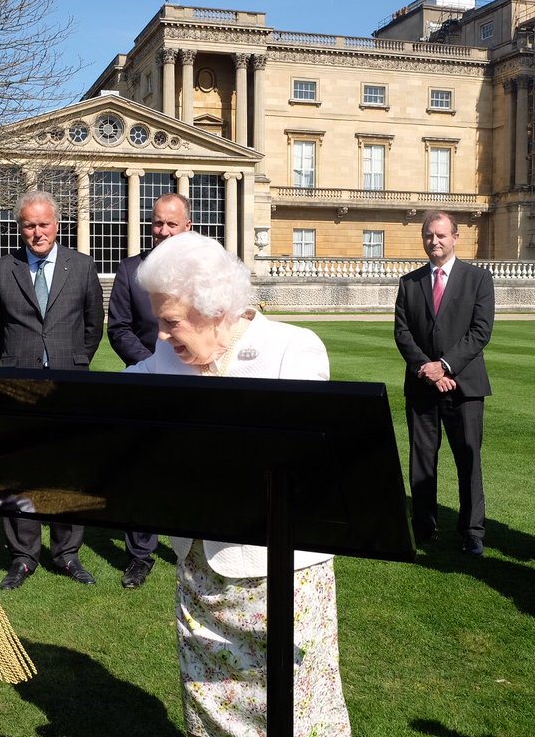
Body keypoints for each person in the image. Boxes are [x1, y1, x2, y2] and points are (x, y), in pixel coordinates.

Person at [126, 230, 351, 736]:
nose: (161, 336)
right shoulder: (165, 361)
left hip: (279, 572)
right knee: (209, 709)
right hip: (200, 569)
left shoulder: (292, 349)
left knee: (295, 709)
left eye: (171, 321)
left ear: (214, 310)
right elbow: (113, 409)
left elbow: (300, 462)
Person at [0, 190, 103, 589]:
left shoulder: (82, 266)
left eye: (44, 224)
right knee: (21, 470)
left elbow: (92, 325)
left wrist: (73, 360)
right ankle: (24, 555)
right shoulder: (1, 270)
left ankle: (67, 553)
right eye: (29, 225)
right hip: (19, 381)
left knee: (68, 468)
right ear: (20, 228)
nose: (37, 232)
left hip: (69, 380)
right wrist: (19, 358)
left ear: (57, 224)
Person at [393, 210, 494, 556]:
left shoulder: (478, 279)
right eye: (428, 236)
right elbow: (402, 333)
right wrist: (427, 368)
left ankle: (472, 530)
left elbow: (480, 332)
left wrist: (446, 366)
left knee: (468, 459)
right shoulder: (409, 282)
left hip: (464, 386)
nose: (434, 241)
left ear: (455, 238)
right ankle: (423, 526)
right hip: (422, 386)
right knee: (422, 459)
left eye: (440, 235)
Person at [106, 191, 192, 588]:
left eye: (171, 224)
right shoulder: (130, 271)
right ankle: (140, 555)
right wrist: (153, 365)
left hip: (195, 383)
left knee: (188, 467)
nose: (163, 230)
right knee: (139, 470)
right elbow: (118, 328)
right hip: (145, 380)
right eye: (158, 223)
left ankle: (193, 546)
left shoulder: (203, 271)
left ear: (187, 227)